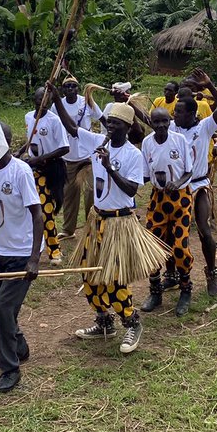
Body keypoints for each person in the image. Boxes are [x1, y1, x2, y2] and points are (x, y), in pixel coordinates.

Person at [53, 94, 168, 354]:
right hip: (97, 221)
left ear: (127, 128)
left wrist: (109, 167)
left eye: (116, 123)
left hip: (119, 223)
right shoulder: (98, 141)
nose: (110, 126)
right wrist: (54, 98)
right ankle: (104, 322)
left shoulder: (132, 155)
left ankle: (132, 323)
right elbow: (72, 127)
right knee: (89, 274)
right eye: (110, 122)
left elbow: (130, 191)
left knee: (113, 279)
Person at [0, 121, 44, 393]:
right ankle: (18, 347)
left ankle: (10, 368)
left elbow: (37, 215)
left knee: (4, 309)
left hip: (21, 253)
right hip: (1, 251)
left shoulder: (21, 171)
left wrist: (34, 258)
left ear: (4, 144)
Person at [171, 69, 217, 297]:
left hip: (198, 185)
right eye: (174, 111)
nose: (174, 115)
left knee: (205, 231)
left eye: (178, 112)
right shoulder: (172, 128)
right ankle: (175, 275)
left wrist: (210, 85)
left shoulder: (204, 127)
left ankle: (212, 272)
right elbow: (149, 121)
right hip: (177, 187)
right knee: (176, 234)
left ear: (192, 114)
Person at [139, 108, 194, 315]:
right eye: (157, 122)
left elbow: (189, 171)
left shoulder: (179, 140)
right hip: (158, 200)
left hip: (181, 199)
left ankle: (185, 289)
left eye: (165, 121)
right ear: (151, 123)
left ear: (170, 121)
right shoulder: (147, 143)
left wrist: (177, 183)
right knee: (152, 247)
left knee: (180, 247)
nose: (161, 125)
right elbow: (144, 175)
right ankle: (155, 292)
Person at [24, 86, 70, 265]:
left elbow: (65, 147)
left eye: (47, 100)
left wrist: (41, 158)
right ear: (34, 99)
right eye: (40, 98)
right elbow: (30, 142)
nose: (43, 102)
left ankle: (54, 251)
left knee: (45, 211)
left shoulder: (54, 121)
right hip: (32, 169)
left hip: (50, 169)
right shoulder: (29, 117)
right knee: (29, 210)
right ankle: (28, 249)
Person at [57, 75, 101, 238]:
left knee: (90, 192)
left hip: (87, 156)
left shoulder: (86, 101)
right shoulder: (58, 105)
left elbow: (102, 118)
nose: (70, 89)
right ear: (62, 89)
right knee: (69, 195)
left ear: (78, 88)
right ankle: (68, 230)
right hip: (68, 158)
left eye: (73, 86)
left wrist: (104, 140)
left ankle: (91, 227)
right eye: (67, 86)